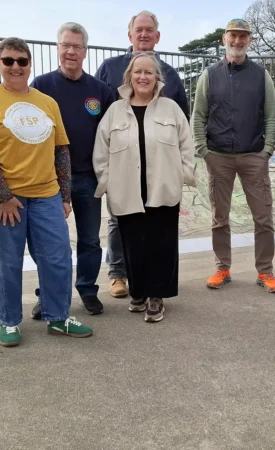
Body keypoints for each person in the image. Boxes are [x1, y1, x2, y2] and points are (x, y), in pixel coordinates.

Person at [0, 37, 93, 347]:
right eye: (8, 60)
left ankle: (58, 317)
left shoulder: (46, 102)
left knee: (58, 257)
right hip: (5, 198)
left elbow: (61, 150)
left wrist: (64, 195)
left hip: (46, 194)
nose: (15, 66)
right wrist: (3, 195)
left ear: (29, 64)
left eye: (21, 61)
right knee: (7, 260)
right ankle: (10, 321)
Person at [93, 53, 196, 322]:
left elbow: (187, 144)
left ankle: (156, 296)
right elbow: (101, 150)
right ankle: (138, 292)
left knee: (160, 245)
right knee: (133, 244)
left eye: (149, 72)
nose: (143, 77)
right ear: (129, 76)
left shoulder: (170, 108)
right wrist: (106, 183)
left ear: (157, 78)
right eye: (137, 72)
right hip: (126, 189)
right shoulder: (115, 110)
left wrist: (182, 176)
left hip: (163, 188)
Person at [29, 22, 115, 318]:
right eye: (66, 45)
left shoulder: (100, 91)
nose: (71, 51)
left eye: (77, 46)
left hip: (89, 178)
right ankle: (48, 295)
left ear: (85, 51)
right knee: (51, 244)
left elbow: (111, 136)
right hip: (49, 180)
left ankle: (88, 290)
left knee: (90, 239)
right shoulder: (40, 86)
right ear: (58, 48)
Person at [191, 18, 275, 293]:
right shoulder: (210, 74)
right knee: (220, 217)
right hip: (217, 155)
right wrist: (203, 151)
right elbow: (199, 115)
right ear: (224, 39)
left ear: (249, 41)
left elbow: (270, 116)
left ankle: (265, 271)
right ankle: (222, 268)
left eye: (243, 37)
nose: (238, 41)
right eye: (233, 36)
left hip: (254, 155)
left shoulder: (260, 74)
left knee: (263, 216)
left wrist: (267, 151)